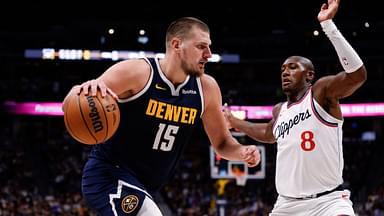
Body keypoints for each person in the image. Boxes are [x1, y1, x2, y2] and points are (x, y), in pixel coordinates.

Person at [62, 17, 261, 216]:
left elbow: (222, 143)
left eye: (209, 47)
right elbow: (72, 103)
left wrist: (241, 152)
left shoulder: (207, 89)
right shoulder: (137, 72)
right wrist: (78, 90)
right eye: (201, 46)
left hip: (145, 187)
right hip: (108, 175)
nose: (208, 54)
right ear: (176, 45)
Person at [224, 0, 367, 215]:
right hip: (287, 206)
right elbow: (268, 132)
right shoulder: (279, 110)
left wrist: (329, 26)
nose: (285, 72)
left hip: (328, 202)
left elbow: (357, 75)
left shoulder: (321, 93)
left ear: (309, 75)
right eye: (283, 68)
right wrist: (234, 122)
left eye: (292, 67)